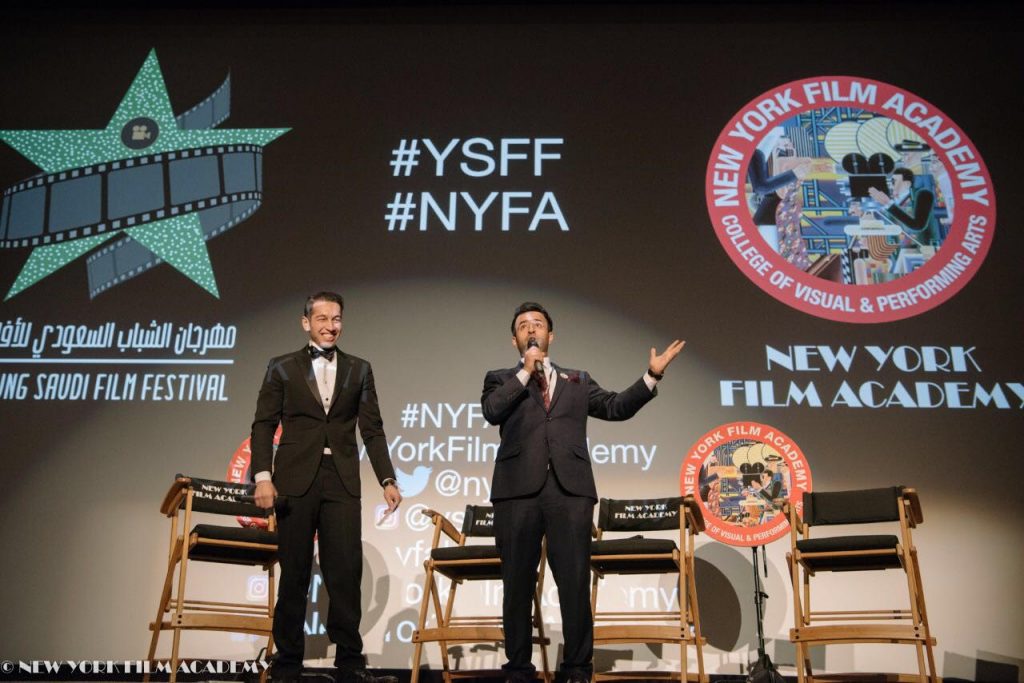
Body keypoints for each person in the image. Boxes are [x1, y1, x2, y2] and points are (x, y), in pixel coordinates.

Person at [481, 302, 685, 683]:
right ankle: (519, 669)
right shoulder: (500, 378)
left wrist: (651, 376)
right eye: (523, 326)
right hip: (516, 492)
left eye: (538, 324)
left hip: (570, 491)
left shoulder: (577, 380)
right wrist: (525, 372)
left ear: (551, 335)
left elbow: (615, 406)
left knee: (574, 582)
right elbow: (492, 411)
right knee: (517, 584)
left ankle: (576, 668)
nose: (531, 330)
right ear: (514, 340)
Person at [251, 291, 402, 683]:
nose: (330, 326)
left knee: (345, 572)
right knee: (295, 573)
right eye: (322, 318)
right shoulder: (282, 367)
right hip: (294, 480)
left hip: (341, 480)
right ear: (306, 323)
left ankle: (350, 663)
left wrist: (387, 478)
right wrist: (262, 476)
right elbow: (264, 424)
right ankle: (287, 663)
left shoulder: (359, 369)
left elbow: (372, 429)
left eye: (336, 319)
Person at [868, 168, 942, 247]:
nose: (890, 185)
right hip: (899, 248)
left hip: (924, 246)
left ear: (907, 184)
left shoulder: (923, 194)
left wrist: (888, 203)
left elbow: (918, 225)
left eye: (893, 182)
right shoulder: (894, 202)